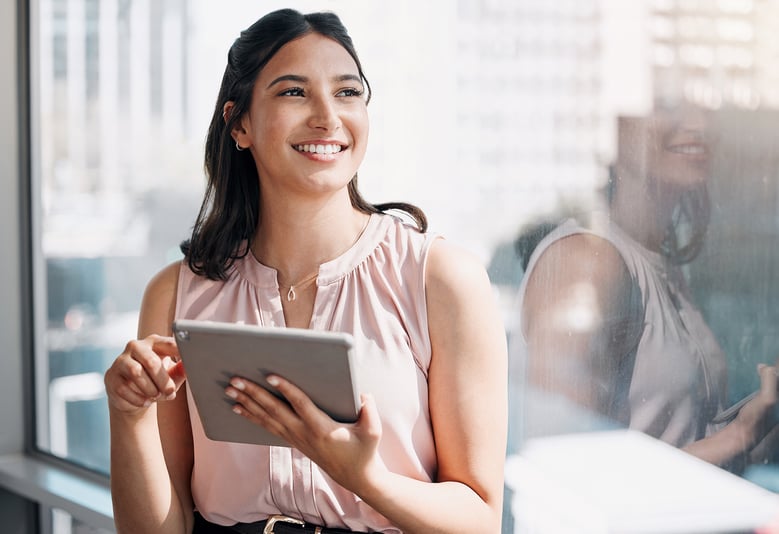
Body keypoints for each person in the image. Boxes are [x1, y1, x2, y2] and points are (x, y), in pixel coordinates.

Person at [103, 9, 507, 534]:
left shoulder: (442, 279)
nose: (327, 117)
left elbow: (481, 520)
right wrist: (128, 415)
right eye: (294, 92)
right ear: (239, 124)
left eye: (347, 92)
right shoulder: (176, 292)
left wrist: (365, 478)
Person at [511, 101, 778, 471]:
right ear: (613, 132)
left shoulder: (662, 267)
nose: (698, 122)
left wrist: (754, 429)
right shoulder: (588, 262)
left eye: (702, 105)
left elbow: (682, 440)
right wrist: (740, 435)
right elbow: (568, 471)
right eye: (667, 105)